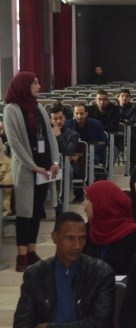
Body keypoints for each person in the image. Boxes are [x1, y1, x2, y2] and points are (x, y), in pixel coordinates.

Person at [13, 212, 115, 328]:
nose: (77, 245)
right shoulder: (35, 274)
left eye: (82, 238)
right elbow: (22, 324)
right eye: (70, 238)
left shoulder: (100, 272)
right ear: (55, 237)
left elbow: (99, 323)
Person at [3, 72, 60, 272]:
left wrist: (55, 161)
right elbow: (15, 144)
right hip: (26, 169)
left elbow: (50, 137)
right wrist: (32, 166)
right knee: (24, 212)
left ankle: (32, 251)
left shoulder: (39, 108)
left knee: (37, 211)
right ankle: (21, 255)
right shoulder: (11, 109)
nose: (38, 86)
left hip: (44, 168)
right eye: (35, 83)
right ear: (23, 85)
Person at [82, 180, 136, 275]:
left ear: (102, 202)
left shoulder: (132, 235)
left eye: (88, 199)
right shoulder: (86, 230)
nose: (84, 203)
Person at [117, 89, 136, 169]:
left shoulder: (134, 109)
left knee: (133, 138)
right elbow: (112, 120)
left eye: (127, 96)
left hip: (128, 133)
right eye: (122, 96)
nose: (124, 98)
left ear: (129, 98)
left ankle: (132, 165)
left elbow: (132, 122)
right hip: (115, 132)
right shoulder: (113, 108)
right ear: (118, 98)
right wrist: (124, 120)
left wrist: (120, 119)